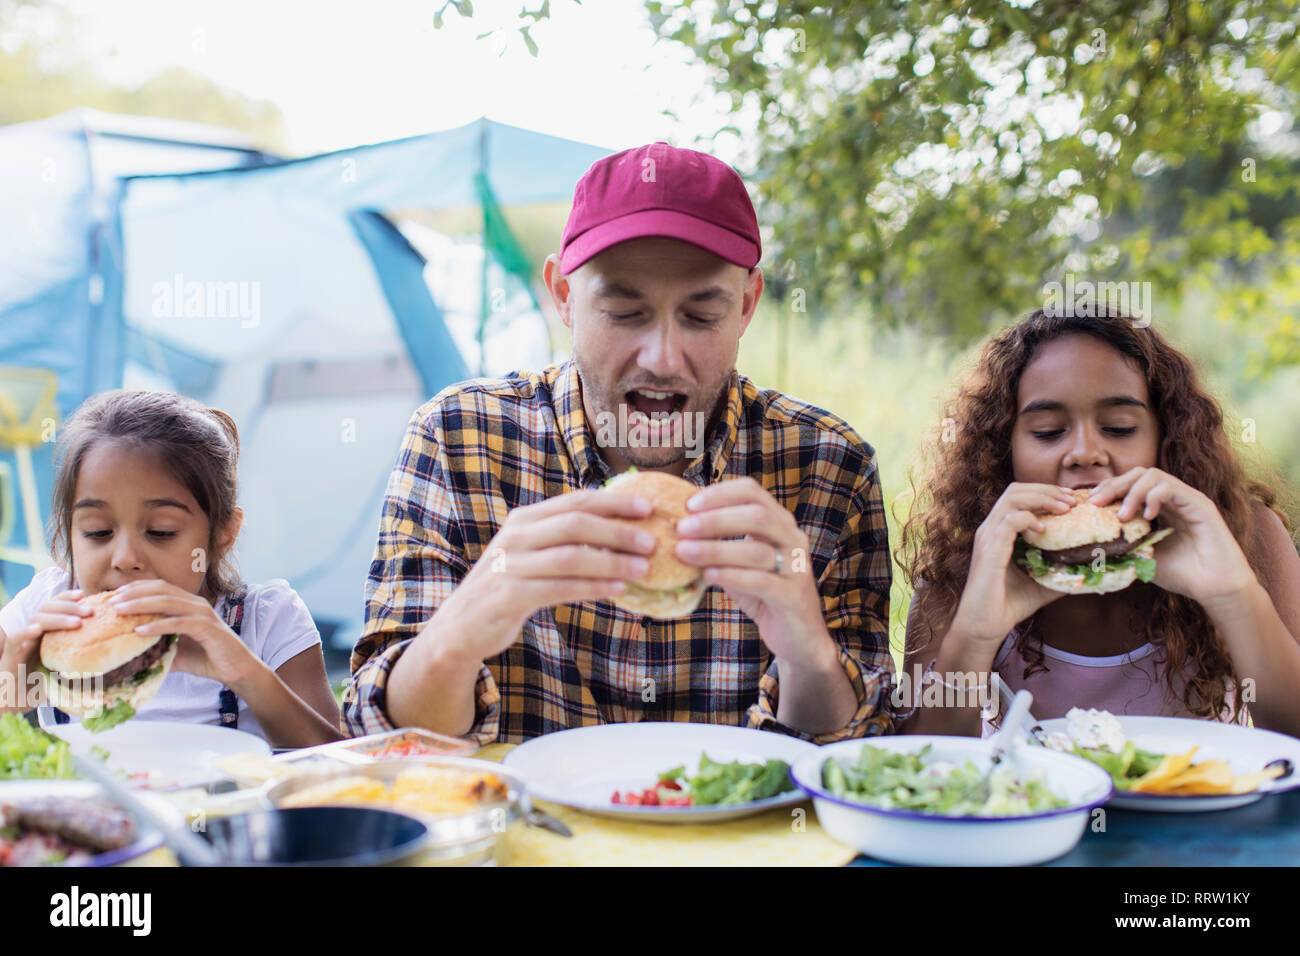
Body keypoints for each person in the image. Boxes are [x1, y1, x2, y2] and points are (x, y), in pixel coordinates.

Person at [344, 142, 896, 744]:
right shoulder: (456, 439)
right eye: (624, 312)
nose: (661, 358)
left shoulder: (829, 468)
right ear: (563, 297)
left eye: (700, 317)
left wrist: (806, 651)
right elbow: (388, 744)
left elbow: (857, 757)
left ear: (746, 305)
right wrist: (459, 635)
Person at [895, 307, 1300, 736]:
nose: (1085, 453)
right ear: (1002, 449)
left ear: (1167, 438)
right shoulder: (964, 562)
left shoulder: (1246, 535)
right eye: (1049, 431)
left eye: (1119, 428)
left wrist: (1233, 594)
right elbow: (925, 770)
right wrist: (975, 635)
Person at [0, 390, 343, 746]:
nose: (125, 558)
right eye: (97, 532)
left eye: (161, 532)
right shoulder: (42, 609)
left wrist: (246, 674)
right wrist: (12, 690)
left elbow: (335, 765)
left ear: (223, 534)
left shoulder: (268, 620)